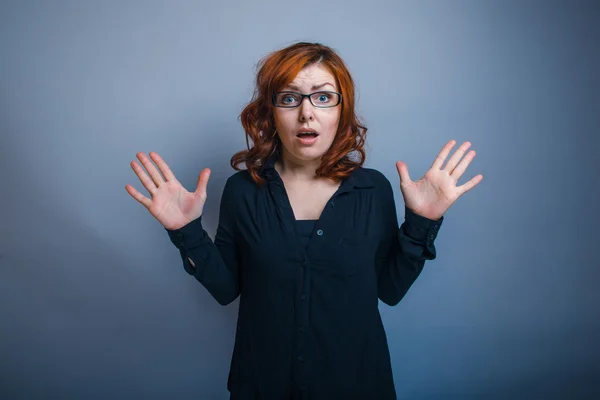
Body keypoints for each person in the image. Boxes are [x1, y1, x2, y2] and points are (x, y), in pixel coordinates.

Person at [125, 42, 483, 399]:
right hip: (262, 387)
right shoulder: (243, 191)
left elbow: (389, 290)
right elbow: (225, 290)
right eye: (290, 98)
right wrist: (185, 231)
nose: (306, 114)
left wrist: (421, 222)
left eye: (323, 98)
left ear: (342, 111)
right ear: (271, 112)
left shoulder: (372, 190)